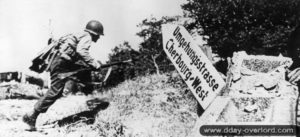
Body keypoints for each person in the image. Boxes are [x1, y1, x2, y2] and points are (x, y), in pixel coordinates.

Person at [22, 20, 104, 130]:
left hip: (60, 61)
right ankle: (31, 116)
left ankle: (89, 94)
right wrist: (94, 64)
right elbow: (81, 51)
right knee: (56, 90)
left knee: (61, 87)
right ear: (94, 33)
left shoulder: (78, 34)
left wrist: (89, 67)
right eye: (98, 36)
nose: (98, 38)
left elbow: (76, 55)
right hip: (61, 63)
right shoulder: (87, 37)